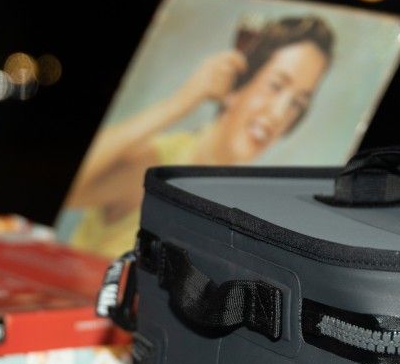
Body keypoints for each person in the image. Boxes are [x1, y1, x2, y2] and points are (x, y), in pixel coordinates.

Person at [65, 15, 336, 259]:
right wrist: (180, 104)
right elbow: (69, 185)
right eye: (275, 86)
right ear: (236, 85)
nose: (280, 114)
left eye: (297, 104)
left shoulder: (238, 200)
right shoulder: (157, 166)